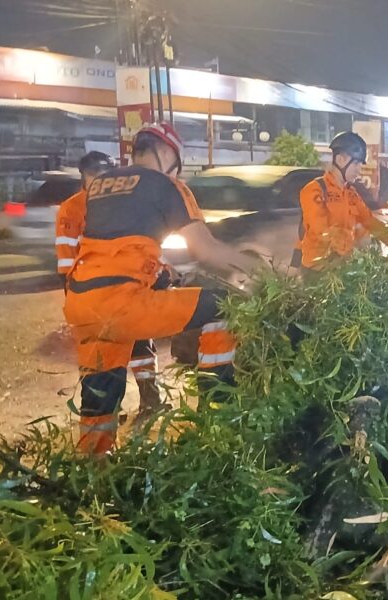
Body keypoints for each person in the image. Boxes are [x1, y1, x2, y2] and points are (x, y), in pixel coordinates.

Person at [64, 122, 263, 456]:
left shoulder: (100, 185)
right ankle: (219, 412)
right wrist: (259, 270)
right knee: (225, 304)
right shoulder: (167, 184)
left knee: (101, 387)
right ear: (168, 153)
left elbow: (115, 242)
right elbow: (206, 250)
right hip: (124, 304)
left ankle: (93, 468)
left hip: (82, 303)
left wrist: (159, 273)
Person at [56, 152, 164, 419]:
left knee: (140, 346)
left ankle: (150, 401)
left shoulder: (122, 202)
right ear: (84, 176)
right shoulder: (72, 209)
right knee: (101, 355)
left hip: (128, 286)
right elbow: (67, 258)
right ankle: (107, 411)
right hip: (94, 293)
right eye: (96, 175)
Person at [295, 131, 388, 273]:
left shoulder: (351, 193)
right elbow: (320, 230)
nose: (359, 170)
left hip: (343, 268)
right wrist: (355, 248)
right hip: (318, 271)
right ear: (340, 160)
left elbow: (369, 221)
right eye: (356, 163)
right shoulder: (314, 190)